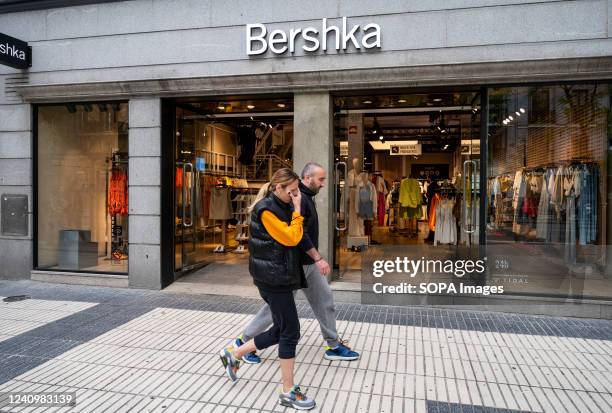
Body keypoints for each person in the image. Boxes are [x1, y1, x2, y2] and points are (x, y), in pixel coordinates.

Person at [232, 162, 360, 364]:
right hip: (294, 265)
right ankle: (242, 342)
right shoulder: (294, 199)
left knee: (324, 300)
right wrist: (317, 257)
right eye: (321, 179)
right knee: (277, 313)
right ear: (307, 178)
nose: (324, 183)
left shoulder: (303, 197)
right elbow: (298, 235)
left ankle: (333, 344)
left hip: (303, 263)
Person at [219, 168, 315, 410]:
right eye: (291, 192)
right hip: (274, 279)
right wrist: (297, 211)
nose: (296, 196)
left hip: (279, 276)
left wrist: (295, 211)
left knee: (283, 329)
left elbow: (296, 235)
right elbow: (291, 238)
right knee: (290, 332)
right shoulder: (266, 210)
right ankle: (287, 392)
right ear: (277, 188)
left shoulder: (279, 205)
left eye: (297, 192)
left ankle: (235, 353)